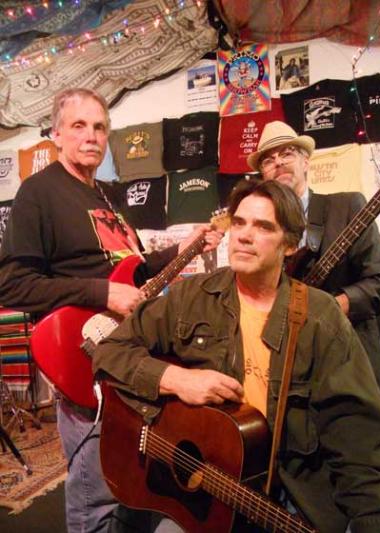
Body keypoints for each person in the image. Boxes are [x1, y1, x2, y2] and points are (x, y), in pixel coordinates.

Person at [93, 179, 380, 533]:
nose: (244, 235)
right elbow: (110, 351)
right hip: (204, 491)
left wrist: (370, 519)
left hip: (288, 497)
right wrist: (178, 380)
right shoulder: (192, 297)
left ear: (290, 245)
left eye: (263, 226)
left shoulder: (319, 316)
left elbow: (356, 433)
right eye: (238, 223)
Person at [0, 88, 223, 533]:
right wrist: (101, 294)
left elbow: (131, 270)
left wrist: (183, 248)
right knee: (95, 491)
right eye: (79, 126)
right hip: (86, 360)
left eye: (100, 127)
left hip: (130, 356)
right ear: (57, 134)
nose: (91, 136)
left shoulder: (107, 195)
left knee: (134, 481)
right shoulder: (38, 193)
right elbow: (11, 283)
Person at [246, 120, 380, 393]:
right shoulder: (257, 227)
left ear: (305, 162)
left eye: (287, 153)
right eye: (268, 160)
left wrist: (330, 307)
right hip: (286, 371)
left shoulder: (347, 206)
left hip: (348, 364)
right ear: (263, 175)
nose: (278, 162)